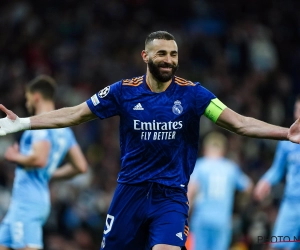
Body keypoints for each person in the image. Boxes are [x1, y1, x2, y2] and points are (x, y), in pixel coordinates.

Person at [0, 31, 299, 250]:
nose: (169, 60)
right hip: (130, 192)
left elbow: (241, 124)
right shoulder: (122, 92)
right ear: (145, 56)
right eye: (162, 54)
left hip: (170, 196)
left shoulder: (194, 94)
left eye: (173, 55)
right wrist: (23, 122)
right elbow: (74, 114)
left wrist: (285, 132)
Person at [0, 75, 88, 250]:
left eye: (27, 98)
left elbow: (40, 159)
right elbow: (81, 166)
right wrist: (51, 174)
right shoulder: (64, 130)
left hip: (28, 201)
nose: (26, 104)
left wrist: (14, 157)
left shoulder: (38, 125)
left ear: (36, 96)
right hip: (28, 200)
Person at [187, 131, 253, 250]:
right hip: (222, 220)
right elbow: (248, 186)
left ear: (205, 149)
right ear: (223, 151)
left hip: (202, 219)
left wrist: (184, 216)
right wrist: (238, 206)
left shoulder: (200, 166)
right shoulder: (230, 168)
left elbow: (190, 192)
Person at [253, 95, 300, 250]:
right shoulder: (287, 142)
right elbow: (277, 170)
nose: (298, 114)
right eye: (297, 109)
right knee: (277, 246)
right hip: (292, 204)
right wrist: (265, 181)